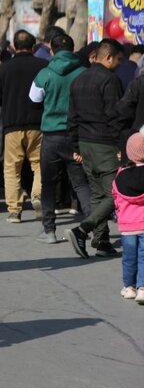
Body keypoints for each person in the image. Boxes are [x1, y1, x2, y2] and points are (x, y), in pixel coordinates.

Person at [65, 39, 125, 259]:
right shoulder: (110, 80)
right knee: (116, 194)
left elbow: (71, 116)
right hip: (105, 143)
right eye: (118, 59)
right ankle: (83, 229)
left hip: (85, 143)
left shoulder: (78, 80)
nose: (120, 64)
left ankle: (101, 241)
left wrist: (74, 145)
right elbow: (114, 117)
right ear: (108, 57)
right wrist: (121, 146)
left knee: (98, 194)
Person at [29, 34, 91, 243]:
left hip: (51, 137)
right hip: (77, 136)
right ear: (73, 50)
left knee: (48, 183)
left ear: (52, 52)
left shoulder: (45, 73)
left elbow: (34, 98)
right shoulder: (84, 72)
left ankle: (49, 231)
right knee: (81, 184)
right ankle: (93, 228)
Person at [0, 30, 48, 223]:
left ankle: (14, 211)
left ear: (14, 47)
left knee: (12, 168)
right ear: (33, 47)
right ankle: (38, 195)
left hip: (12, 125)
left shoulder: (4, 68)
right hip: (38, 124)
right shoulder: (43, 66)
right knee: (38, 165)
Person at [113, 128, 144, 303]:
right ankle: (143, 288)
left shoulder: (120, 175)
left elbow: (116, 197)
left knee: (129, 258)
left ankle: (129, 287)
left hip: (127, 225)